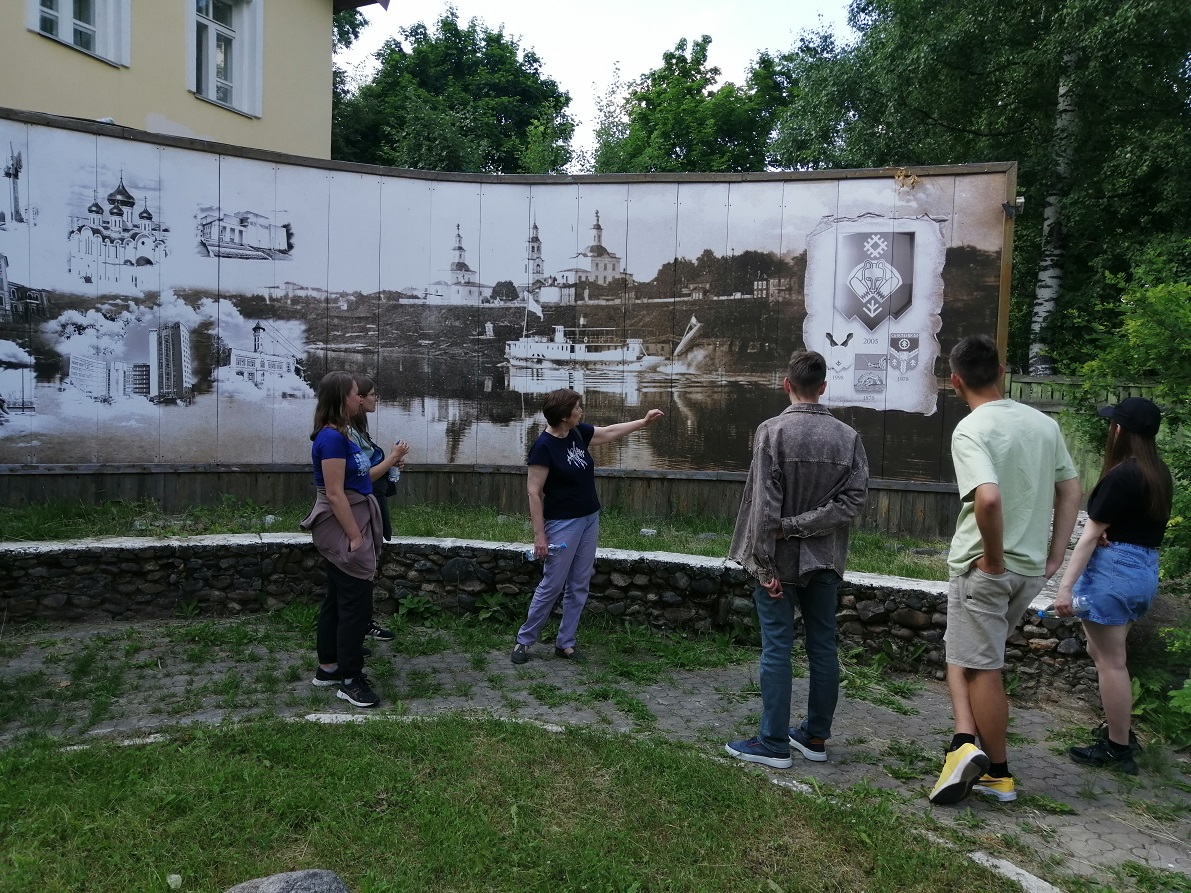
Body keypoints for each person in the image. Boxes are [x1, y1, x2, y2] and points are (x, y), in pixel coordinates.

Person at [929, 335, 1081, 804]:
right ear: (1001, 371)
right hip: (1029, 569)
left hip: (985, 569)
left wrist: (993, 558)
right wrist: (1055, 556)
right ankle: (963, 741)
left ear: (955, 381)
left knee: (983, 668)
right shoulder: (1043, 425)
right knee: (966, 654)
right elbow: (1071, 490)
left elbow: (988, 498)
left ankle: (996, 771)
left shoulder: (971, 429)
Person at [724, 350, 870, 768]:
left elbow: (764, 506)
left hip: (778, 562)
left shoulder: (772, 431)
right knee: (823, 647)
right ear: (823, 386)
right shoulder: (849, 438)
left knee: (777, 648)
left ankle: (773, 743)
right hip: (825, 560)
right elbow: (853, 502)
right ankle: (815, 737)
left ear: (787, 384)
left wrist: (765, 561)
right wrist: (803, 525)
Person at [1057, 397, 1171, 775]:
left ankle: (1118, 749)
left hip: (1114, 574)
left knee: (1111, 662)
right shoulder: (1159, 473)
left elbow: (1089, 536)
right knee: (1104, 651)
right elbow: (1136, 526)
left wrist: (1064, 589)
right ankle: (1119, 731)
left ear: (1120, 430)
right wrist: (1114, 534)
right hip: (1142, 571)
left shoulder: (1121, 475)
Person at [511, 389, 664, 664]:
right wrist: (539, 536)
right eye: (577, 408)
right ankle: (524, 640)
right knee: (552, 584)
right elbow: (534, 493)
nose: (581, 411)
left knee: (579, 584)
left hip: (589, 518)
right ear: (564, 415)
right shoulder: (543, 446)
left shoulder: (577, 433)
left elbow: (609, 432)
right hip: (562, 524)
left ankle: (565, 643)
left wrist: (643, 422)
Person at [300, 371, 384, 708]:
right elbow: (334, 493)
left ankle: (329, 668)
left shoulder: (340, 434)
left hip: (352, 518)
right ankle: (350, 680)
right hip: (345, 524)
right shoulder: (332, 439)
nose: (358, 399)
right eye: (353, 394)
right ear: (341, 399)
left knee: (338, 599)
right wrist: (355, 537)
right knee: (355, 606)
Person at [349, 374, 411, 643]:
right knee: (361, 568)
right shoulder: (347, 432)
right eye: (373, 394)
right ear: (359, 399)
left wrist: (391, 463)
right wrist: (393, 457)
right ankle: (356, 629)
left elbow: (371, 469)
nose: (376, 399)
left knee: (368, 564)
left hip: (371, 501)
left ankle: (360, 625)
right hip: (363, 504)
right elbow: (363, 476)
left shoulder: (358, 429)